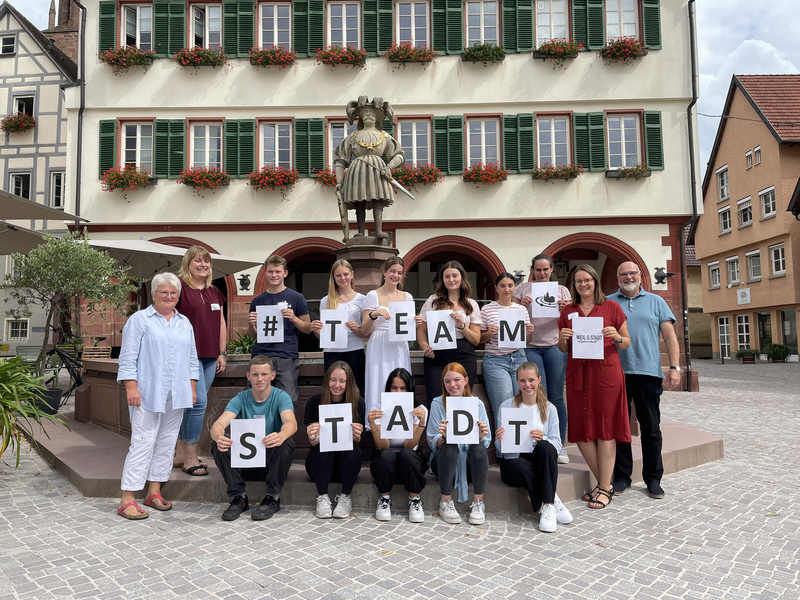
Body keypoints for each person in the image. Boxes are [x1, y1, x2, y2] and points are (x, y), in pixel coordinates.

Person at [116, 273, 199, 520]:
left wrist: (192, 387)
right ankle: (127, 498)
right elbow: (128, 357)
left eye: (173, 292)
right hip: (147, 392)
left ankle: (154, 491)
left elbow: (192, 359)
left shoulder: (184, 322)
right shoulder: (139, 320)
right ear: (153, 294)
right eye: (164, 292)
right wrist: (131, 387)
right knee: (142, 442)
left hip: (178, 393)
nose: (169, 296)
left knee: (166, 442)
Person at [557, 264, 631, 510]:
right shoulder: (568, 310)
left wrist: (617, 336)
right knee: (580, 429)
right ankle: (605, 485)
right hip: (578, 373)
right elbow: (563, 349)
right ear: (574, 285)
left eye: (587, 280)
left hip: (606, 374)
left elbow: (626, 343)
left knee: (605, 429)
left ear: (595, 281)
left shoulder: (612, 307)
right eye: (578, 281)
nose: (583, 285)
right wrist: (562, 338)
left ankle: (604, 486)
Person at [612, 261, 682, 499]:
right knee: (619, 429)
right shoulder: (609, 302)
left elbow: (670, 336)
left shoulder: (656, 301)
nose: (628, 277)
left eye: (632, 273)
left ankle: (653, 479)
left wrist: (674, 367)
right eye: (624, 274)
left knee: (651, 429)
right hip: (615, 374)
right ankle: (622, 477)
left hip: (648, 372)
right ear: (617, 277)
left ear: (640, 276)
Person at [209, 356, 296, 521]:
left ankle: (272, 498)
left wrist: (281, 435)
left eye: (264, 374)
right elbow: (218, 425)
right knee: (218, 444)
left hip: (271, 461)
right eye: (255, 375)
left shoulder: (281, 397)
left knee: (285, 442)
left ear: (273, 375)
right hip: (245, 462)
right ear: (248, 376)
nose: (260, 379)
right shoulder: (241, 398)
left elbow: (291, 423)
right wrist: (219, 437)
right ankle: (239, 498)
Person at [494, 363, 573, 532]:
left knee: (545, 446)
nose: (527, 384)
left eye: (531, 380)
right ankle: (550, 496)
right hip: (514, 461)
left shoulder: (550, 409)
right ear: (517, 381)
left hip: (540, 459)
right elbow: (501, 450)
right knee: (520, 466)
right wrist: (500, 439)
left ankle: (548, 506)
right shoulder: (507, 406)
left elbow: (557, 446)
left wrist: (542, 437)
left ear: (539, 380)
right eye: (522, 380)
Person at [173, 245, 228, 477]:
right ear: (188, 263)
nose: (203, 265)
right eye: (198, 261)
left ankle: (178, 454)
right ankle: (191, 458)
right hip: (189, 356)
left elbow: (222, 323)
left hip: (210, 357)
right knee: (198, 404)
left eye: (206, 261)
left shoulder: (214, 291)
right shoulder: (180, 288)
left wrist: (222, 352)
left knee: (190, 405)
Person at [514, 254, 572, 464]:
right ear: (532, 270)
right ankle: (537, 441)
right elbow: (510, 314)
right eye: (538, 270)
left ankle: (559, 444)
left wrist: (567, 308)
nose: (542, 273)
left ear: (551, 270)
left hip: (555, 345)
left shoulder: (561, 290)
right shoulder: (522, 289)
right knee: (537, 394)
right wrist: (521, 304)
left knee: (556, 396)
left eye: (545, 269)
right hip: (530, 346)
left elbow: (571, 318)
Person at [426, 363, 491, 525]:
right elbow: (432, 442)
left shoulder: (477, 404)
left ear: (466, 380)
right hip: (445, 463)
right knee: (450, 445)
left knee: (478, 446)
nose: (452, 385)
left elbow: (487, 442)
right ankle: (445, 501)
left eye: (456, 380)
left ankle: (478, 501)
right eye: (447, 381)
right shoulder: (437, 403)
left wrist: (481, 436)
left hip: (470, 465)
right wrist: (444, 437)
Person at [334, 96, 406, 240]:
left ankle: (378, 229)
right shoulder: (352, 137)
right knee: (359, 199)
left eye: (371, 112)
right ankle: (360, 231)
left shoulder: (384, 136)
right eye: (365, 111)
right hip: (357, 170)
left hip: (379, 170)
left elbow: (399, 155)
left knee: (377, 198)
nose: (368, 114)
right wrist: (339, 182)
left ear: (377, 116)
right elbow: (341, 160)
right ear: (360, 116)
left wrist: (389, 167)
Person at [305, 361, 365, 519]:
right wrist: (313, 435)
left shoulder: (358, 402)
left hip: (346, 465)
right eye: (333, 379)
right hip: (320, 464)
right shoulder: (314, 402)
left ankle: (346, 496)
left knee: (352, 448)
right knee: (323, 447)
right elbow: (313, 443)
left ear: (348, 382)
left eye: (342, 381)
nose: (336, 385)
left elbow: (357, 440)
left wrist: (356, 433)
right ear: (327, 380)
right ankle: (323, 496)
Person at [248, 255, 312, 403]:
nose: (274, 275)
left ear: (285, 273)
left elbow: (308, 328)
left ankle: (286, 426)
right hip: (261, 355)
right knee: (258, 399)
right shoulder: (257, 300)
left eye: (277, 271)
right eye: (270, 272)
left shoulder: (297, 298)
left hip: (286, 355)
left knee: (287, 400)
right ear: (265, 273)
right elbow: (252, 335)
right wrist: (251, 324)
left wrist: (294, 318)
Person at [367, 368, 428, 522]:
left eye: (403, 388)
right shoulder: (377, 408)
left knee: (407, 453)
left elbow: (410, 444)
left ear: (410, 389)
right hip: (385, 463)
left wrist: (421, 423)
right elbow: (383, 445)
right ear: (388, 388)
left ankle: (415, 499)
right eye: (394, 388)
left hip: (409, 463)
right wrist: (372, 424)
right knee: (386, 454)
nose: (398, 392)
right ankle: (384, 498)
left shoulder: (419, 410)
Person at [417, 261, 482, 404]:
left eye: (454, 275)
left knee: (463, 401)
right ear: (442, 279)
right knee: (436, 400)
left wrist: (463, 326)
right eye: (447, 276)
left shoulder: (471, 304)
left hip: (463, 353)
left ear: (462, 277)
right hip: (437, 354)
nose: (451, 280)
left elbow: (476, 340)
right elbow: (421, 331)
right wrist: (425, 347)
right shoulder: (433, 301)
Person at [361, 256, 414, 420]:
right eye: (392, 271)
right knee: (379, 381)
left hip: (399, 346)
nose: (395, 275)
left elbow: (407, 327)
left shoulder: (408, 297)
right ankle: (377, 424)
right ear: (384, 272)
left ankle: (401, 423)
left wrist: (415, 322)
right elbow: (364, 330)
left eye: (399, 273)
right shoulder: (372, 295)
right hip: (379, 344)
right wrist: (373, 315)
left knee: (401, 381)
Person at [480, 272, 534, 424]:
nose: (506, 289)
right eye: (502, 286)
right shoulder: (487, 309)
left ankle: (521, 446)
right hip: (496, 360)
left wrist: (529, 333)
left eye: (510, 285)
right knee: (504, 406)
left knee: (521, 404)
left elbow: (526, 341)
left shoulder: (521, 310)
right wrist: (489, 333)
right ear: (496, 288)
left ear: (514, 288)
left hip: (519, 357)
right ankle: (502, 447)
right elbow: (480, 338)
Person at [311, 259, 367, 392]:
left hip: (354, 349)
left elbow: (367, 332)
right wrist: (316, 330)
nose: (343, 278)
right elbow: (322, 335)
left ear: (352, 274)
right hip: (332, 351)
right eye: (338, 275)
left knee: (356, 387)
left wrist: (357, 330)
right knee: (334, 389)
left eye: (345, 274)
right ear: (333, 277)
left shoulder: (362, 299)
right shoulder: (326, 300)